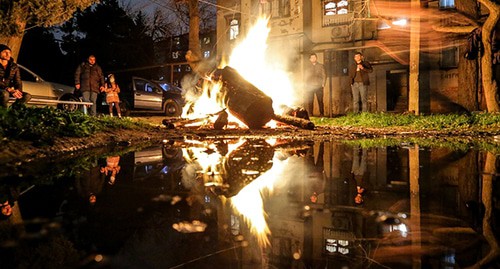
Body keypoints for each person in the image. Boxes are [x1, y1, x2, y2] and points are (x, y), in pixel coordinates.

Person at [0, 44, 31, 108]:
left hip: (9, 90)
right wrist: (7, 89)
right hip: (3, 89)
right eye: (5, 52)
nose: (8, 54)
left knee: (27, 96)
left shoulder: (13, 66)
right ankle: (4, 113)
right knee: (5, 94)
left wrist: (18, 91)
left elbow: (18, 80)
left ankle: (13, 111)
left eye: (9, 52)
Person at [305, 53, 326, 117]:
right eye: (312, 58)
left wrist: (323, 84)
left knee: (320, 100)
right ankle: (311, 114)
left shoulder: (320, 66)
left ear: (316, 58)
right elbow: (306, 76)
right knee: (310, 101)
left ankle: (322, 114)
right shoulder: (308, 67)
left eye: (314, 57)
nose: (313, 59)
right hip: (310, 86)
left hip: (318, 86)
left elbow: (324, 75)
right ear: (310, 59)